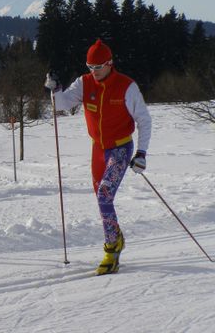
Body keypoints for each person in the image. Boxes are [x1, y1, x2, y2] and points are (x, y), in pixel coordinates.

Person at [45, 39, 151, 275]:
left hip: (121, 149)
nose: (94, 72)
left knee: (104, 195)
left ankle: (112, 249)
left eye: (98, 67)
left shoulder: (127, 87)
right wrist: (55, 87)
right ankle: (117, 237)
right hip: (98, 150)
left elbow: (144, 120)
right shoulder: (84, 83)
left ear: (110, 63)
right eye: (90, 67)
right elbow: (60, 104)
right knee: (103, 200)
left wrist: (141, 153)